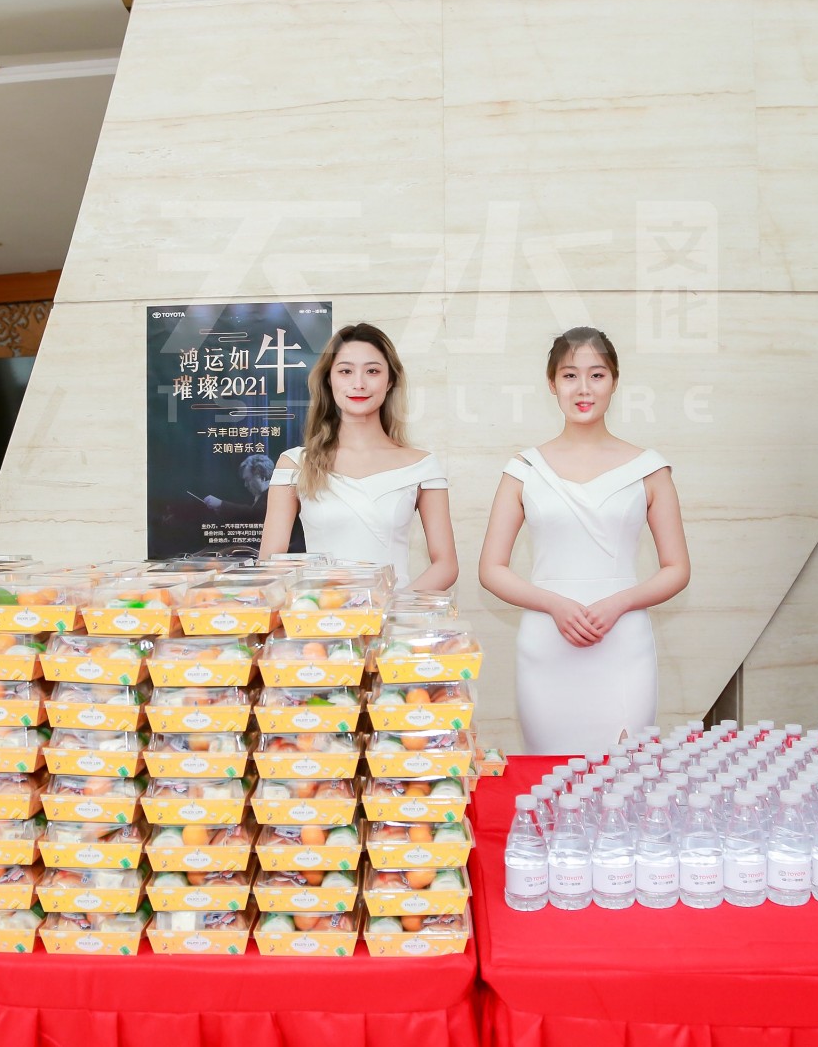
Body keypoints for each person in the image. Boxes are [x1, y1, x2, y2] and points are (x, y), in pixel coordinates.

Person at [478, 327, 690, 755]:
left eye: (597, 375)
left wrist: (618, 604)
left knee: (623, 770)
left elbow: (677, 569)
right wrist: (555, 605)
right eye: (570, 375)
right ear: (552, 383)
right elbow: (491, 569)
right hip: (547, 641)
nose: (583, 388)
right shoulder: (524, 469)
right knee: (549, 772)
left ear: (614, 381)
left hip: (623, 640)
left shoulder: (649, 468)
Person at [259, 322, 458, 590]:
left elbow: (446, 565)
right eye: (346, 371)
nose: (359, 384)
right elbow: (270, 563)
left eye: (372, 371)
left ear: (390, 381)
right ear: (329, 380)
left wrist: (388, 606)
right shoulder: (295, 463)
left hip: (395, 613)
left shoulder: (421, 466)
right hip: (320, 612)